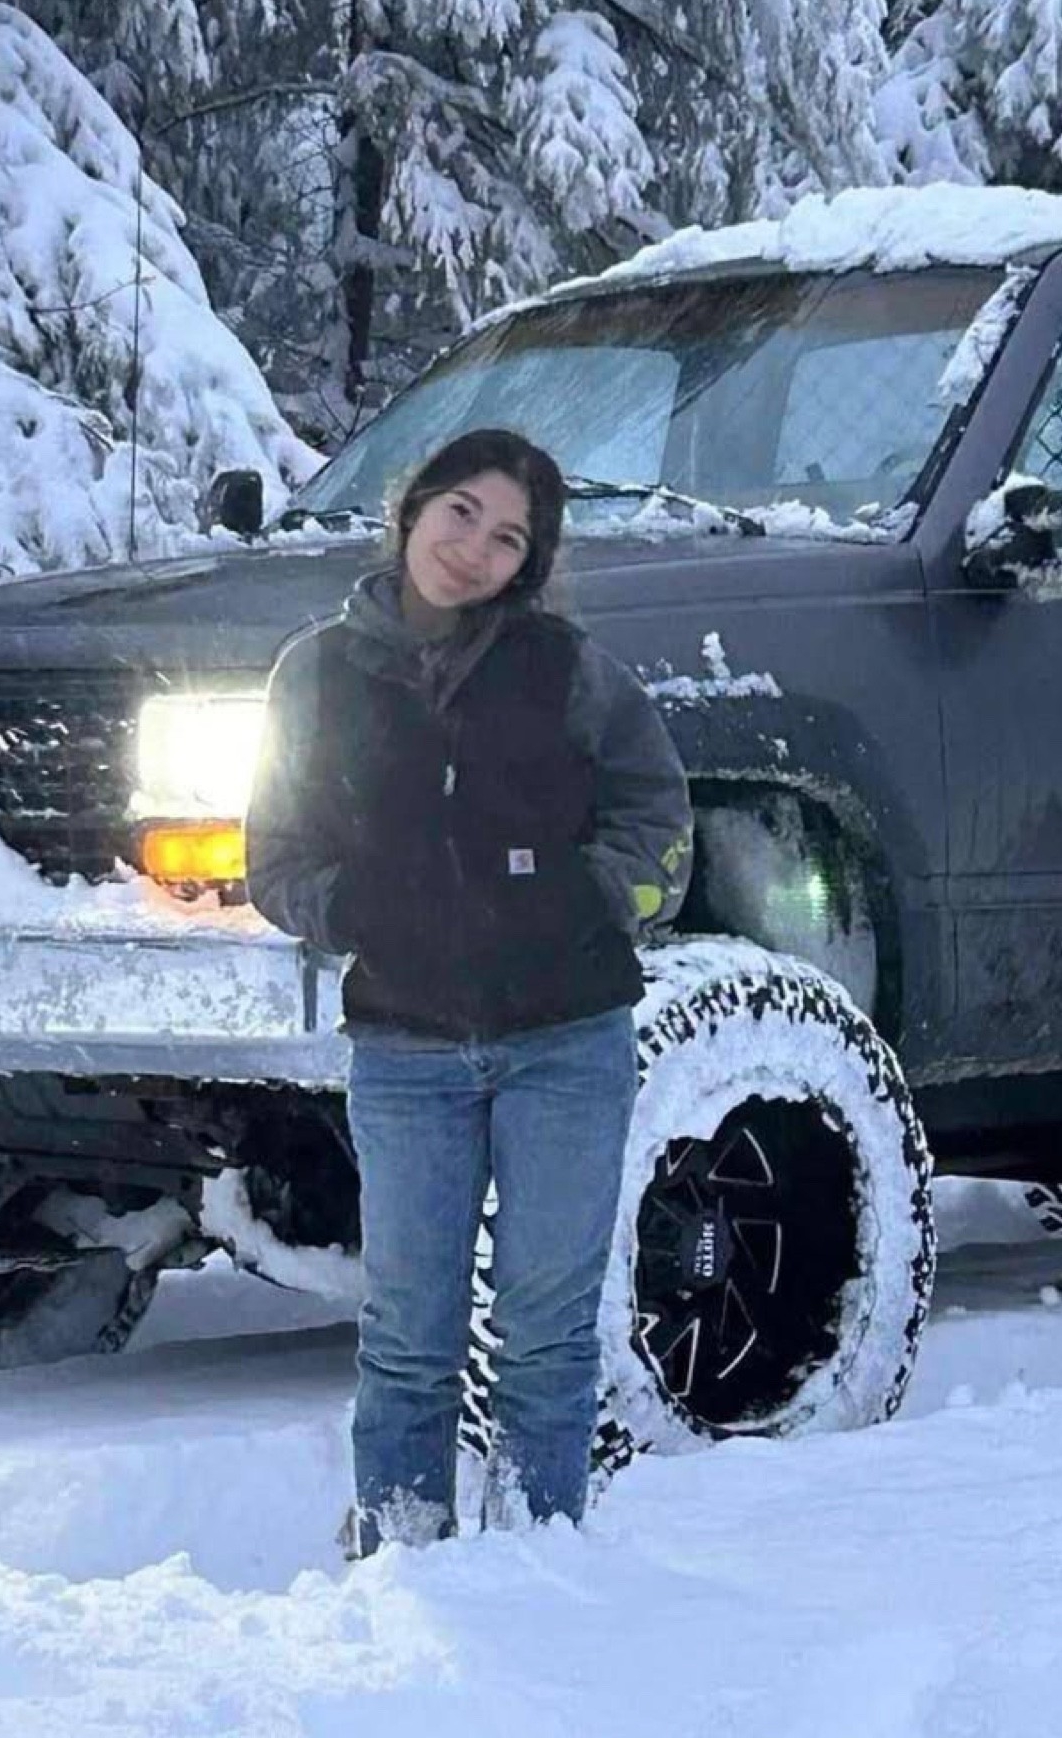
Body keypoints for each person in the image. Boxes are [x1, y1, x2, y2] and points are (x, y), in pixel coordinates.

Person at [244, 428, 693, 1555]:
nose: (474, 550)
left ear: (528, 565)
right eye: (461, 513)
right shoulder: (317, 674)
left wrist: (589, 898)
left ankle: (539, 1555)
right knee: (408, 1335)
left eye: (508, 540)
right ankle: (405, 1561)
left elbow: (659, 823)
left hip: (568, 1042)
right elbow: (274, 858)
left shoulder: (570, 673)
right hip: (405, 1050)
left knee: (545, 1332)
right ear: (411, 508)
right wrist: (355, 908)